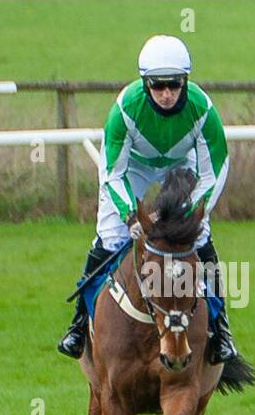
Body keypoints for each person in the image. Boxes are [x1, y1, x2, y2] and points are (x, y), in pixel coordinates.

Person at [59, 35, 236, 363]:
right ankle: (79, 323)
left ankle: (221, 326)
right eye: (158, 86)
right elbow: (113, 170)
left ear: (185, 81)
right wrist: (130, 216)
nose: (167, 94)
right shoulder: (125, 108)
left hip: (182, 169)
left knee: (200, 237)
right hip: (133, 169)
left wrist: (194, 213)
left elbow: (216, 167)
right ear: (145, 84)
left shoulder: (203, 108)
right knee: (109, 237)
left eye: (174, 85)